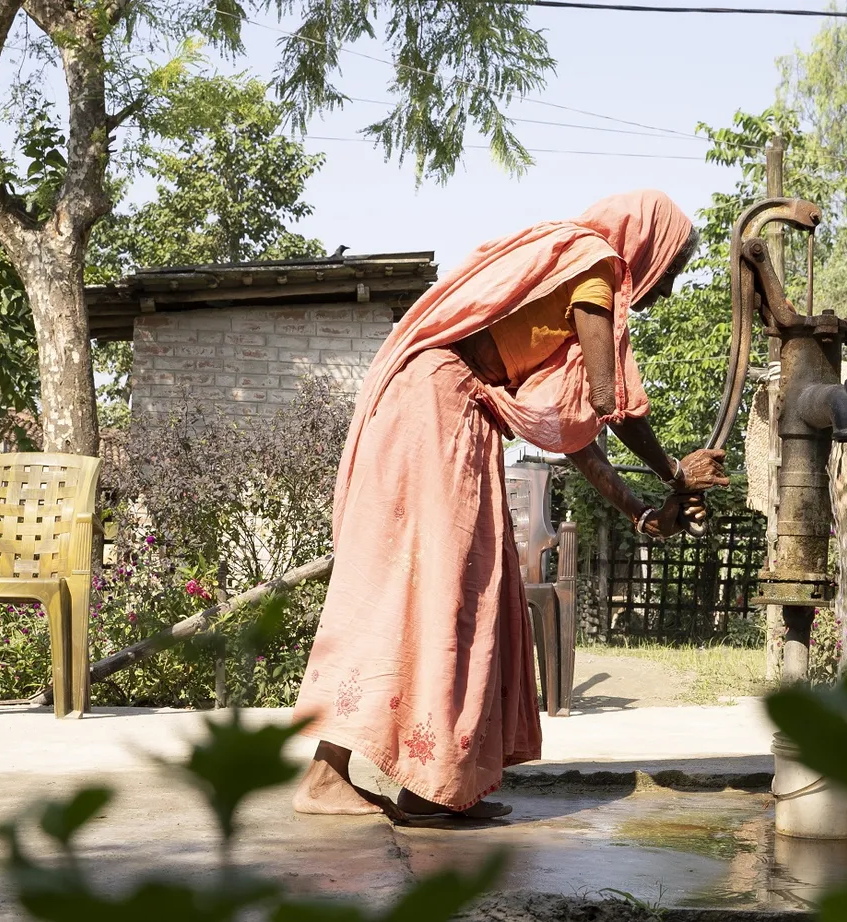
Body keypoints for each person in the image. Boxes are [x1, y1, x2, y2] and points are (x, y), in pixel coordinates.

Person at [290, 190, 729, 820]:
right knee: (438, 587)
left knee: (472, 590)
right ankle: (332, 778)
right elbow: (609, 400)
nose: (665, 288)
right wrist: (673, 470)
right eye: (672, 269)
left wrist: (642, 510)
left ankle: (435, 784)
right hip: (436, 404)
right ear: (648, 245)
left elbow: (580, 434)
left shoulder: (568, 282)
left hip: (452, 407)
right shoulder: (594, 261)